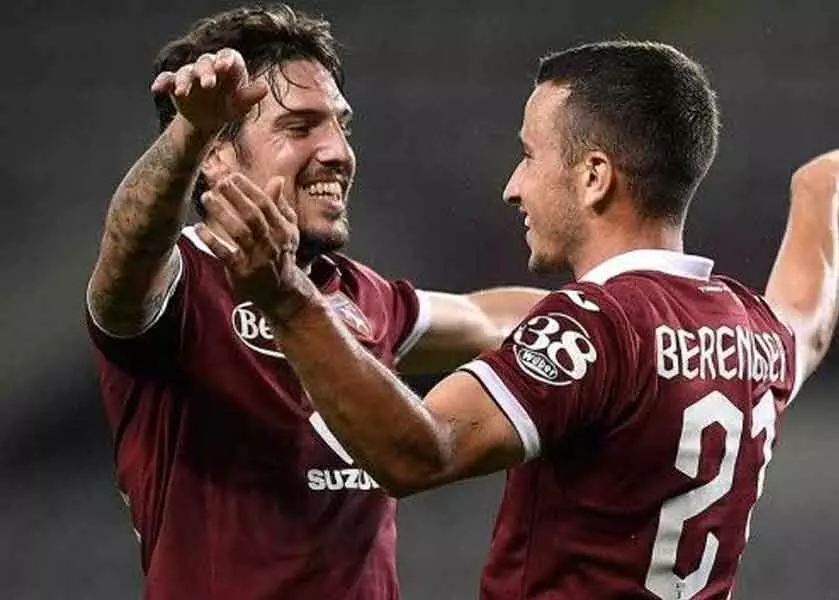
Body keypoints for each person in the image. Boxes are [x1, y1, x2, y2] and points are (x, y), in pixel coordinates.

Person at [197, 41, 839, 599]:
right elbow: (809, 322)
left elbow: (416, 453)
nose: (513, 186)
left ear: (594, 176)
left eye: (528, 155)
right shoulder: (746, 326)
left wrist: (286, 297)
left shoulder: (592, 326)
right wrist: (819, 190)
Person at [85, 5, 546, 599]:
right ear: (217, 154)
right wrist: (188, 131)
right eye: (301, 128)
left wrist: (639, 301)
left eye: (340, 125)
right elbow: (124, 257)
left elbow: (490, 318)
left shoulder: (359, 296)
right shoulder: (179, 288)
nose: (338, 152)